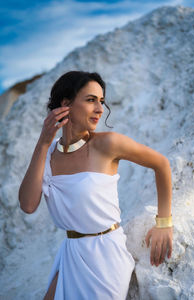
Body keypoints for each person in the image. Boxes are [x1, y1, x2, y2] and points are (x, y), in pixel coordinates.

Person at [18, 71, 173, 300]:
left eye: (101, 101)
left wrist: (164, 223)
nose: (100, 109)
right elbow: (28, 205)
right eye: (91, 100)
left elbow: (161, 164)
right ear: (65, 104)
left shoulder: (107, 144)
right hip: (71, 254)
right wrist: (43, 143)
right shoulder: (48, 154)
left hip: (106, 256)